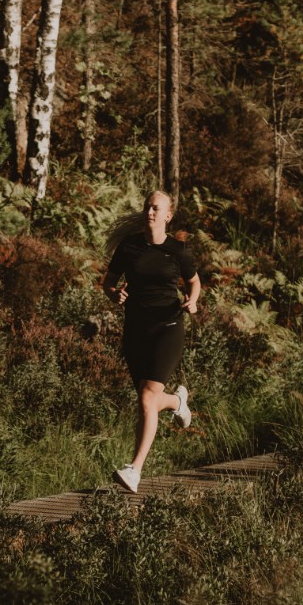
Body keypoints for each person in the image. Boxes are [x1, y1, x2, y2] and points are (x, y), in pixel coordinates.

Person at [100, 190, 201, 493]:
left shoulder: (177, 250)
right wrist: (114, 294)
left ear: (168, 215)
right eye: (147, 207)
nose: (150, 212)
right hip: (135, 330)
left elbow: (194, 281)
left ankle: (135, 469)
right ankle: (177, 401)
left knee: (146, 398)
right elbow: (109, 281)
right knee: (148, 403)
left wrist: (192, 302)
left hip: (168, 327)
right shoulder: (129, 247)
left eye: (157, 208)